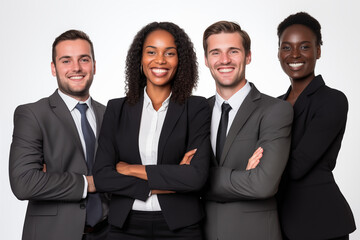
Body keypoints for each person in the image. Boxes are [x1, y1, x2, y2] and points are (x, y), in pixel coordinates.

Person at [93, 22, 211, 240]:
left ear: (180, 60)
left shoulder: (197, 108)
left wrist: (129, 169)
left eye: (169, 53)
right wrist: (166, 182)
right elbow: (102, 177)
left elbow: (195, 177)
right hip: (125, 227)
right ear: (140, 58)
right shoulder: (117, 109)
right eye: (151, 52)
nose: (160, 60)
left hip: (181, 227)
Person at [9, 30, 109, 240]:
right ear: (54, 68)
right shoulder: (33, 115)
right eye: (66, 61)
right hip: (54, 234)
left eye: (84, 59)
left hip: (109, 233)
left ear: (94, 65)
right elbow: (24, 182)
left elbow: (124, 170)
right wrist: (87, 183)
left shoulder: (110, 115)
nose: (76, 68)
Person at [202, 21, 294, 240]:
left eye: (233, 51)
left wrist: (198, 177)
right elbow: (176, 177)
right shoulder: (195, 112)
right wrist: (243, 176)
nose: (224, 60)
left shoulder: (275, 111)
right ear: (206, 60)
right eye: (216, 52)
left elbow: (263, 184)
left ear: (248, 56)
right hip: (202, 232)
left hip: (254, 233)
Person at [276, 12, 356, 240]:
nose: (294, 55)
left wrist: (254, 170)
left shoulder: (332, 100)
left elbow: (299, 164)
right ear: (279, 52)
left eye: (304, 47)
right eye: (286, 47)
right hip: (279, 221)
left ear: (318, 51)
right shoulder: (274, 104)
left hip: (321, 223)